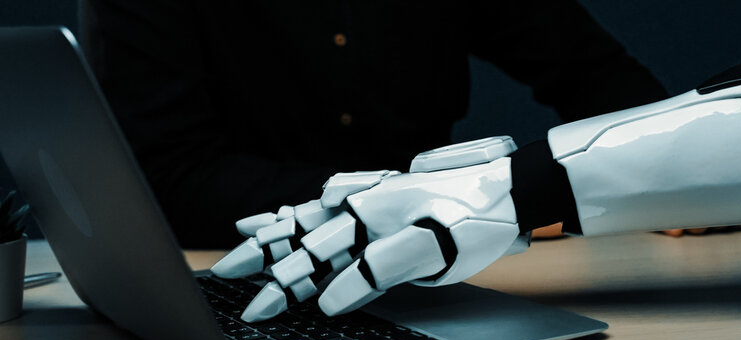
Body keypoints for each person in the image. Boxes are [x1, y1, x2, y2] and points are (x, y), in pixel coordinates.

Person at [79, 0, 669, 248]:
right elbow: (168, 181)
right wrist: (465, 198)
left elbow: (595, 74)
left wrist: (673, 170)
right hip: (227, 271)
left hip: (435, 273)